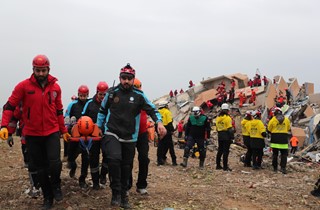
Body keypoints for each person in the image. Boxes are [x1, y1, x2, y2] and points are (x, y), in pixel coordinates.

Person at [0, 54, 70, 209]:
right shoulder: (23, 86)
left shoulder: (56, 87)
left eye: (43, 70)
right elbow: (10, 106)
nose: (40, 74)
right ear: (33, 70)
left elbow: (59, 110)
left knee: (55, 163)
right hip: (32, 134)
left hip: (52, 131)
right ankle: (47, 197)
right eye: (37, 70)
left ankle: (56, 185)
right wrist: (4, 126)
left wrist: (63, 130)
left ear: (48, 69)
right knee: (40, 168)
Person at [96, 63, 166, 208]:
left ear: (133, 79)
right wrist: (98, 126)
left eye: (129, 78)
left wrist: (159, 122)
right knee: (114, 160)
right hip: (112, 132)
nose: (126, 81)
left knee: (126, 166)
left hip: (130, 136)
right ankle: (115, 192)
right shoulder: (111, 93)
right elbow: (102, 111)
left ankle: (123, 195)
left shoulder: (139, 96)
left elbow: (153, 110)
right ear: (119, 78)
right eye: (123, 78)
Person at [81, 81, 109, 189]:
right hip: (92, 136)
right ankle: (95, 181)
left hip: (107, 134)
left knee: (107, 156)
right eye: (100, 94)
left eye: (104, 94)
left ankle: (103, 175)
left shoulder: (110, 104)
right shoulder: (89, 104)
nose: (102, 97)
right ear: (97, 93)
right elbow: (83, 118)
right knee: (93, 158)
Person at [128, 78, 150, 195]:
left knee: (144, 158)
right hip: (130, 133)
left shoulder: (143, 98)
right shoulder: (127, 98)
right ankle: (127, 185)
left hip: (142, 133)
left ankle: (141, 185)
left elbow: (151, 109)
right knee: (128, 160)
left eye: (138, 87)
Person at [65, 85, 90, 188]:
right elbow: (66, 116)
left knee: (86, 157)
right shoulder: (73, 105)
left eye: (85, 96)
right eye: (81, 95)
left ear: (87, 95)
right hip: (74, 134)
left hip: (87, 136)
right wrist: (67, 126)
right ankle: (73, 166)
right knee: (71, 156)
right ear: (78, 94)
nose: (83, 97)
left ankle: (82, 179)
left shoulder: (90, 104)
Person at [267, 107, 291, 174]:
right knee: (284, 154)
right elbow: (288, 128)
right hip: (283, 138)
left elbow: (269, 129)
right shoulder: (286, 119)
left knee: (275, 154)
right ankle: (283, 168)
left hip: (275, 138)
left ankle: (275, 168)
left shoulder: (272, 120)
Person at [157, 100, 177, 166]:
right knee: (170, 146)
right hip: (166, 130)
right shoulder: (167, 112)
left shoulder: (157, 112)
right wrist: (172, 130)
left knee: (160, 145)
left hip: (159, 129)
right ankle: (174, 161)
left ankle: (159, 160)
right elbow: (169, 123)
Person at [215, 103, 234, 171]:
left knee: (220, 150)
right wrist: (232, 137)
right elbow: (230, 129)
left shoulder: (218, 118)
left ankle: (218, 165)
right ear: (227, 110)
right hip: (226, 135)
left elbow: (217, 128)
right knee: (226, 151)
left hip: (220, 135)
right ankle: (225, 167)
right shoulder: (227, 118)